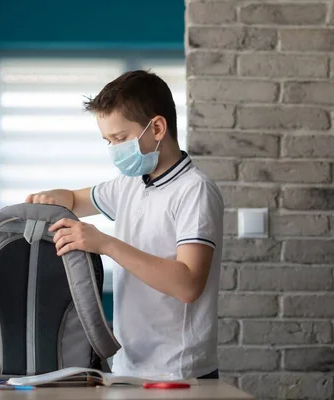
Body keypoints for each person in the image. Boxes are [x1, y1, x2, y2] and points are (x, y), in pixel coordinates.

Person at [25, 70, 224, 380]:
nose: (114, 150)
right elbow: (76, 200)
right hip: (129, 367)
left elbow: (188, 285)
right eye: (108, 141)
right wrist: (51, 197)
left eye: (120, 139)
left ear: (157, 127)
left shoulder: (194, 190)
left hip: (179, 372)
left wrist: (105, 244)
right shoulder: (130, 185)